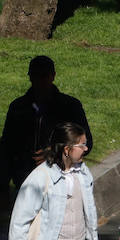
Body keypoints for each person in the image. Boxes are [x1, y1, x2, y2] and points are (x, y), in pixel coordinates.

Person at [2, 55, 91, 195]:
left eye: (44, 76)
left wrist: (55, 152)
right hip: (26, 183)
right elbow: (7, 147)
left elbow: (87, 144)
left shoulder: (70, 107)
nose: (40, 81)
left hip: (60, 182)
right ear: (30, 77)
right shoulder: (18, 107)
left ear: (53, 76)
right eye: (35, 76)